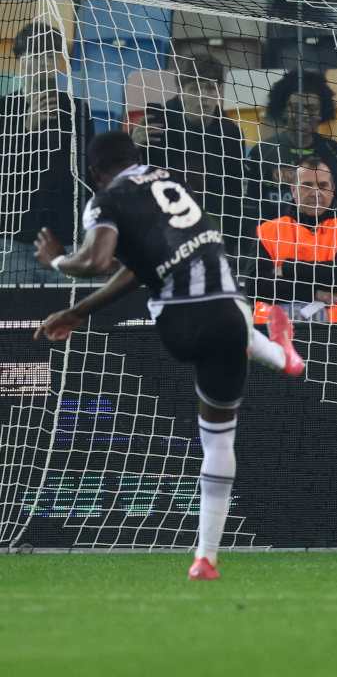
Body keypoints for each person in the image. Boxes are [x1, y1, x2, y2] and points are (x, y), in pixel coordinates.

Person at [30, 130, 305, 581]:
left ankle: (281, 354)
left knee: (213, 421)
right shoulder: (174, 184)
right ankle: (206, 556)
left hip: (179, 327)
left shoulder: (107, 199)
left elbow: (98, 262)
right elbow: (135, 268)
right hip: (227, 316)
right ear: (137, 157)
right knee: (220, 439)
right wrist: (78, 311)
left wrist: (57, 262)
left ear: (95, 173)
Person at [0, 22, 94, 284]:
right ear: (20, 59)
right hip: (13, 239)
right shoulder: (4, 109)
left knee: (70, 316)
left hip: (67, 238)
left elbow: (89, 173)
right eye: (37, 54)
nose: (45, 62)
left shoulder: (78, 110)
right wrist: (26, 128)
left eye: (52, 55)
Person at [246, 158, 337, 324]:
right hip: (276, 336)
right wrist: (316, 293)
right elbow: (255, 286)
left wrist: (287, 268)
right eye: (307, 185)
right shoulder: (269, 231)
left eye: (322, 186)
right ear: (293, 190)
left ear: (332, 190)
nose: (315, 193)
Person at [137, 58, 245, 241]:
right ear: (180, 92)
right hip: (159, 223)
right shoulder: (155, 126)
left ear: (220, 91)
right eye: (194, 89)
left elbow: (234, 197)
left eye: (210, 88)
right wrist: (134, 145)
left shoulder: (231, 134)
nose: (203, 96)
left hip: (211, 224)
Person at [247, 69, 337, 224]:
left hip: (322, 240)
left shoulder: (336, 153)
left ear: (322, 112)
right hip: (275, 239)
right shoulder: (263, 152)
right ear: (284, 111)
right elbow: (251, 207)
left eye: (311, 109)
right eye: (296, 107)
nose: (303, 115)